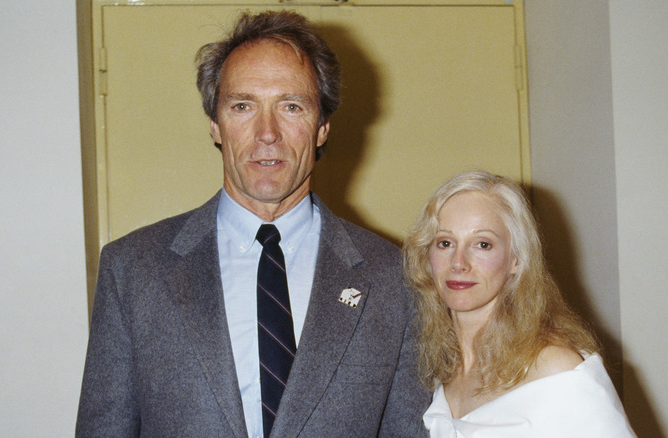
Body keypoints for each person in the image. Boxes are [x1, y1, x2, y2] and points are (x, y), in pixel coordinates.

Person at [76, 10, 429, 438]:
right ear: (215, 125)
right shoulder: (133, 270)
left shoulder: (393, 277)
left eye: (291, 106)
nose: (267, 133)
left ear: (321, 127)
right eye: (243, 106)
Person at [403, 170, 635, 437]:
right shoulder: (438, 370)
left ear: (516, 260)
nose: (458, 263)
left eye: (482, 244)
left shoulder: (557, 369)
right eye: (445, 243)